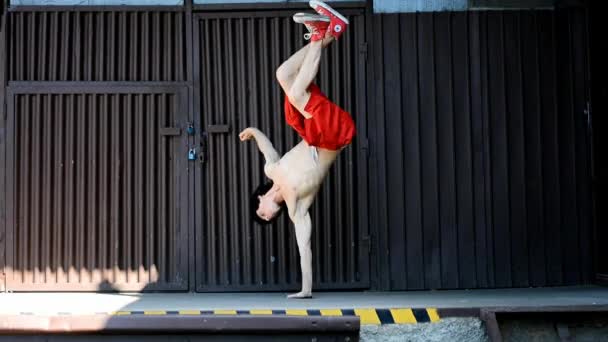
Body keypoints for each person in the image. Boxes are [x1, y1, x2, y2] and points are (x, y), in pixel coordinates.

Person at [239, 0, 355, 299]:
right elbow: (305, 247)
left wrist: (253, 133)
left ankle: (331, 33)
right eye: (265, 217)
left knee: (283, 75)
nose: (264, 215)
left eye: (259, 212)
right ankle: (319, 33)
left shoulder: (272, 170)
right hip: (331, 136)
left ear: (261, 199)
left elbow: (267, 149)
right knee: (296, 91)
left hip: (313, 131)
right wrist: (306, 289)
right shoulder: (295, 208)